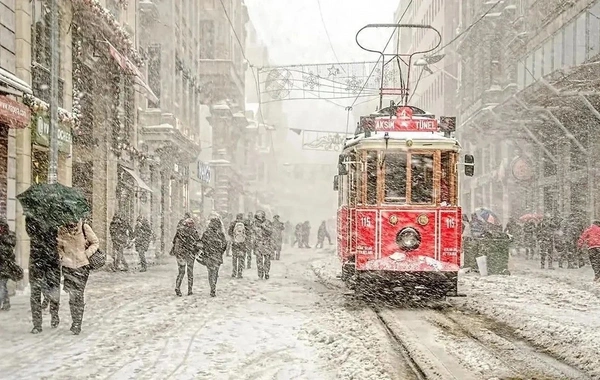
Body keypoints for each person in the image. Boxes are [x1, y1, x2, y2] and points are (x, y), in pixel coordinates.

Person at [57, 219, 99, 335]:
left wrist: (86, 254)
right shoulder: (62, 230)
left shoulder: (84, 227)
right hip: (68, 267)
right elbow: (59, 247)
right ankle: (75, 319)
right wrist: (62, 256)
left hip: (82, 266)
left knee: (78, 294)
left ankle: (77, 323)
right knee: (72, 295)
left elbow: (95, 242)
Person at [26, 216, 61, 334]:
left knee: (53, 289)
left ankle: (54, 314)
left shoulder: (55, 217)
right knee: (36, 292)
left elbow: (58, 236)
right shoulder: (32, 217)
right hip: (38, 260)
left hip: (50, 260)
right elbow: (30, 232)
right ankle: (37, 323)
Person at [171, 214, 200, 296]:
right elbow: (198, 242)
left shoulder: (180, 231)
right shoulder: (194, 231)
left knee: (181, 272)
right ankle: (189, 290)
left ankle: (177, 287)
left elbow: (174, 241)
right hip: (190, 253)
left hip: (181, 254)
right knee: (190, 272)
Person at [199, 218, 227, 297]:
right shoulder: (220, 234)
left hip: (209, 255)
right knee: (215, 272)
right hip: (217, 255)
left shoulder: (206, 233)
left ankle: (212, 286)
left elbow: (202, 244)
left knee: (210, 272)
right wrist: (221, 251)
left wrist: (205, 250)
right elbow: (225, 244)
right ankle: (213, 286)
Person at [0, 218, 21, 311]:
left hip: (5, 265)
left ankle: (5, 303)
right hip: (3, 264)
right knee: (2, 286)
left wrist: (2, 238)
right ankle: (6, 302)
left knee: (2, 285)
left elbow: (10, 246)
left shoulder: (10, 235)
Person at [253, 210, 273, 279]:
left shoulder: (268, 222)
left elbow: (270, 232)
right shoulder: (254, 223)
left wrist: (263, 227)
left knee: (267, 260)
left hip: (266, 244)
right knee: (259, 260)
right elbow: (252, 233)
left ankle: (266, 272)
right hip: (258, 244)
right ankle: (260, 273)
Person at [228, 213, 248, 278]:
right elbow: (248, 233)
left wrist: (233, 238)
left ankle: (234, 272)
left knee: (234, 258)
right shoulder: (245, 223)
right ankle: (240, 272)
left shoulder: (233, 223)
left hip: (235, 243)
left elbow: (229, 232)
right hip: (243, 243)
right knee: (241, 258)